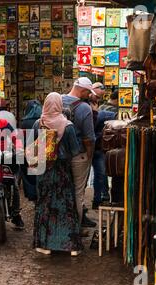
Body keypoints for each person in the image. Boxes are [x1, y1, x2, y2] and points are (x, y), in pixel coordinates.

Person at [32, 92, 83, 256]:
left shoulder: (38, 123)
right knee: (65, 205)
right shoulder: (67, 126)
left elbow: (33, 147)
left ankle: (43, 244)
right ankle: (70, 245)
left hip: (43, 170)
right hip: (61, 170)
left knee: (44, 204)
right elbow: (75, 150)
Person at [61, 77, 96, 232]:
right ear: (83, 90)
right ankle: (75, 229)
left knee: (62, 190)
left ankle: (61, 226)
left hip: (59, 154)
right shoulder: (84, 108)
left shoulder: (58, 100)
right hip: (78, 155)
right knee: (78, 192)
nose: (90, 95)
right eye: (89, 92)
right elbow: (89, 137)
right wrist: (89, 156)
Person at [90, 83, 117, 210]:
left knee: (100, 173)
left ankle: (98, 198)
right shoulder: (89, 108)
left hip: (95, 147)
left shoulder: (97, 107)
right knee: (100, 173)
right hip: (91, 147)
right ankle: (99, 197)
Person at [21, 100, 42, 201]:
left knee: (29, 174)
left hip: (29, 151)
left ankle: (32, 194)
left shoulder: (25, 122)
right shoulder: (42, 120)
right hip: (40, 150)